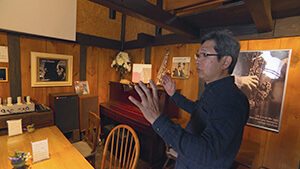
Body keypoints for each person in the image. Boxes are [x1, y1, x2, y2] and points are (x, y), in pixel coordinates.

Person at [129, 30, 249, 169]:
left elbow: (206, 152)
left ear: (225, 62)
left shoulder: (232, 100)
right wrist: (173, 94)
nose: (197, 59)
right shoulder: (214, 90)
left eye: (204, 55)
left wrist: (158, 120)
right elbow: (198, 110)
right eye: (198, 55)